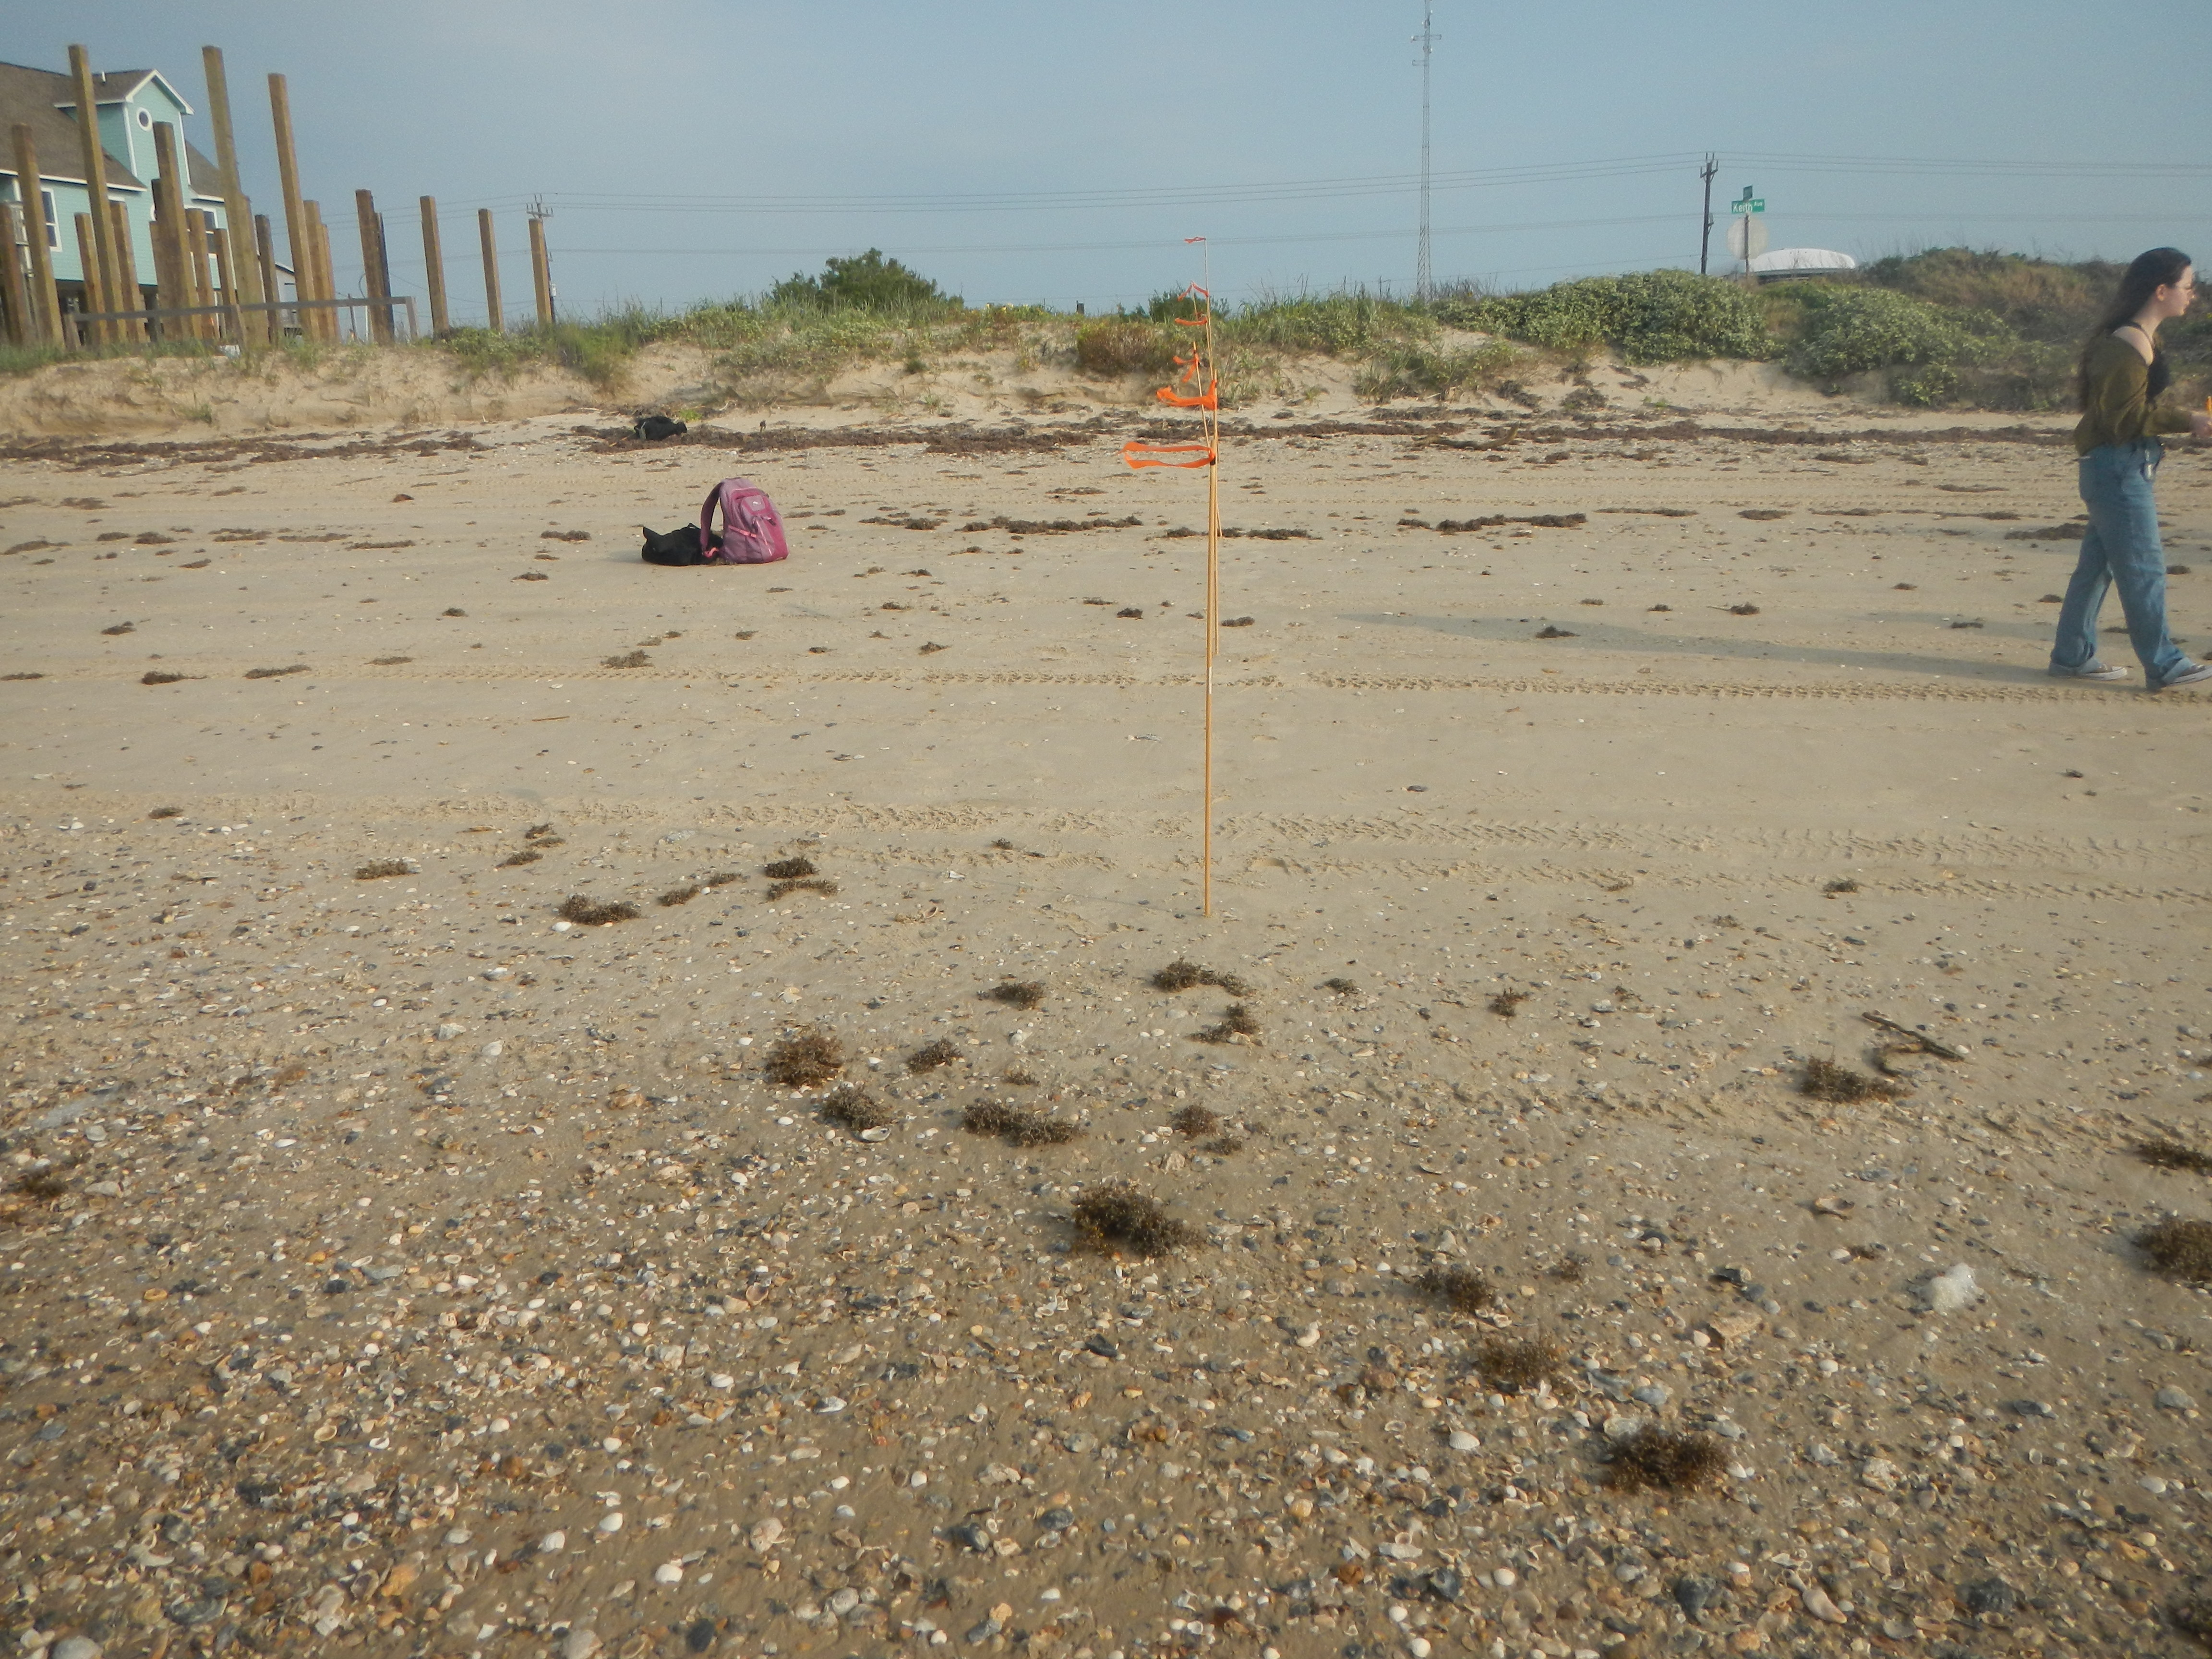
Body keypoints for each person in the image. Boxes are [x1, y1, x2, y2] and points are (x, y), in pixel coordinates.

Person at [2050, 248, 2212, 689]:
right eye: (2188, 287)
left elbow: (2137, 408)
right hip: (2118, 467)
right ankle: (2163, 663)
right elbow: (2122, 421)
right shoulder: (2127, 342)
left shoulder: (2143, 336)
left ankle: (2071, 656)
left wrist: (2189, 417)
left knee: (2097, 567)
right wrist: (2188, 421)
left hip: (2118, 465)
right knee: (2143, 568)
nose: (2193, 296)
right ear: (2162, 290)